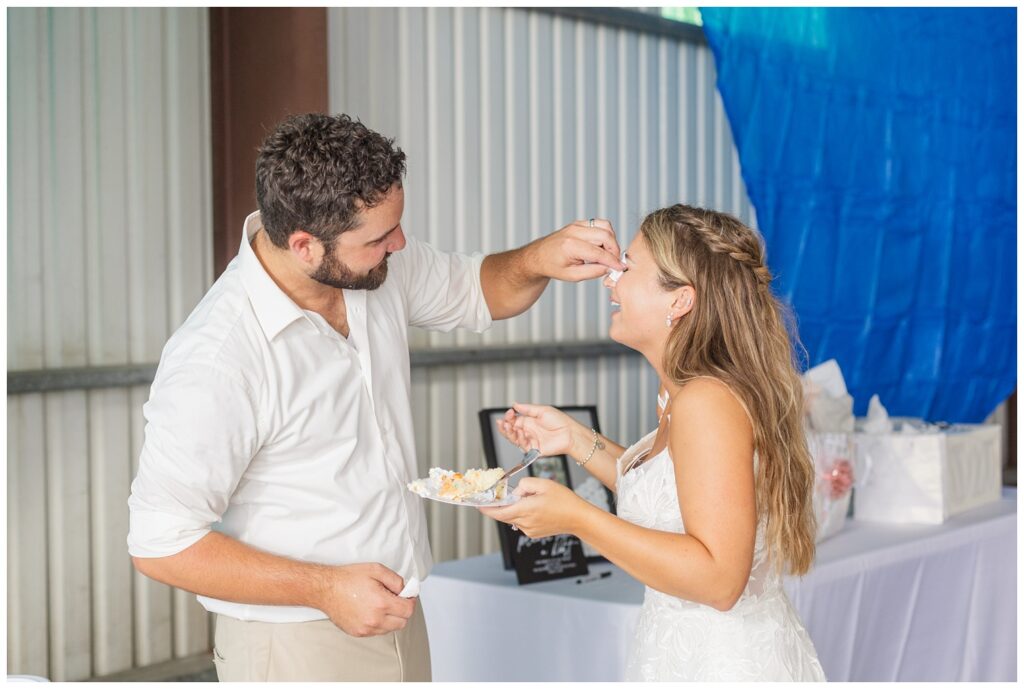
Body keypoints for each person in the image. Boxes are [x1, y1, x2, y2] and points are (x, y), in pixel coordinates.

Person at [126, 113, 624, 682]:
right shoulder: (217, 360)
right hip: (293, 642)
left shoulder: (374, 266)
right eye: (380, 239)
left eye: (396, 226)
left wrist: (541, 256)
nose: (401, 244)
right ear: (304, 245)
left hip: (399, 616)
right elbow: (160, 544)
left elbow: (480, 288)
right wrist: (324, 588)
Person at [481, 204, 827, 681]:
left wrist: (578, 518)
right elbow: (677, 499)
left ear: (679, 301)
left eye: (628, 264)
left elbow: (720, 579)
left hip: (723, 665)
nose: (610, 279)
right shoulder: (682, 391)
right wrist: (576, 439)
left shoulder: (706, 401)